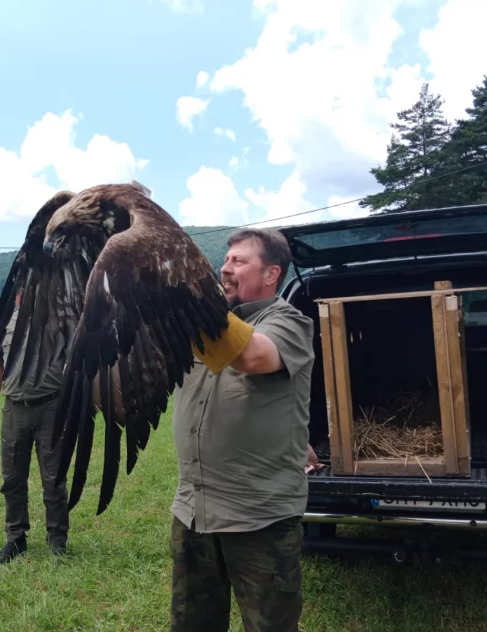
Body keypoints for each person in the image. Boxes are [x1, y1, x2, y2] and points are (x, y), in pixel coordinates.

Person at [170, 227, 315, 632]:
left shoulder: (290, 322)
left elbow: (252, 357)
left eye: (239, 260)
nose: (225, 268)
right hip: (193, 510)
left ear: (271, 274)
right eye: (226, 259)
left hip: (258, 517)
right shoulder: (204, 325)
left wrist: (194, 300)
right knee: (191, 625)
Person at [0, 290, 69, 564]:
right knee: (12, 479)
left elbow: (76, 362)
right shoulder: (5, 323)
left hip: (51, 409)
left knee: (53, 478)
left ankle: (57, 541)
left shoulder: (58, 319)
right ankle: (15, 539)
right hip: (14, 410)